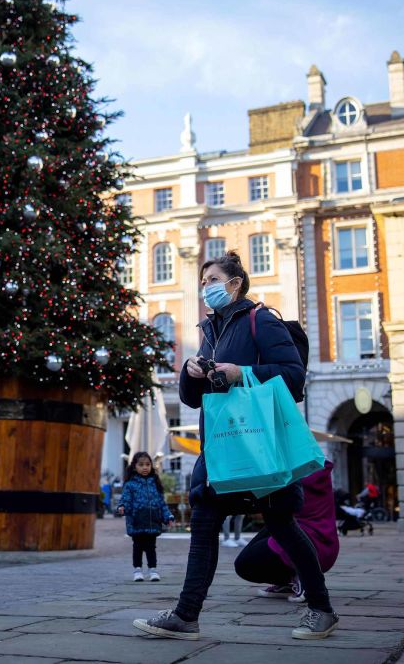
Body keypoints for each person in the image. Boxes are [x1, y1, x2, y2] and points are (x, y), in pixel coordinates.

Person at [133, 251, 338, 642]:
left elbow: (294, 378)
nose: (206, 287)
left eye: (212, 279)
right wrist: (192, 373)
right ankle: (185, 615)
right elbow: (194, 400)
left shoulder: (262, 321)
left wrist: (242, 372)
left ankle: (322, 609)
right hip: (222, 448)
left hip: (260, 446)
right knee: (205, 524)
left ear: (235, 283)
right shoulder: (209, 331)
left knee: (283, 525)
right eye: (203, 281)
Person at [238, 461, 339, 603]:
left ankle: (303, 577)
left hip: (307, 546)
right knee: (267, 532)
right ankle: (289, 580)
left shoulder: (288, 472)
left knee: (245, 565)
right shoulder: (318, 469)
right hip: (326, 547)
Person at [116, 451, 174, 582]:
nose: (145, 467)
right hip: (137, 521)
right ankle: (137, 570)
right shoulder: (130, 484)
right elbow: (125, 499)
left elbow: (161, 503)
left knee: (151, 547)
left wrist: (168, 517)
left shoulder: (155, 483)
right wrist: (122, 507)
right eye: (141, 464)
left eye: (148, 464)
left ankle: (153, 570)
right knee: (137, 546)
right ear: (134, 466)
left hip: (152, 522)